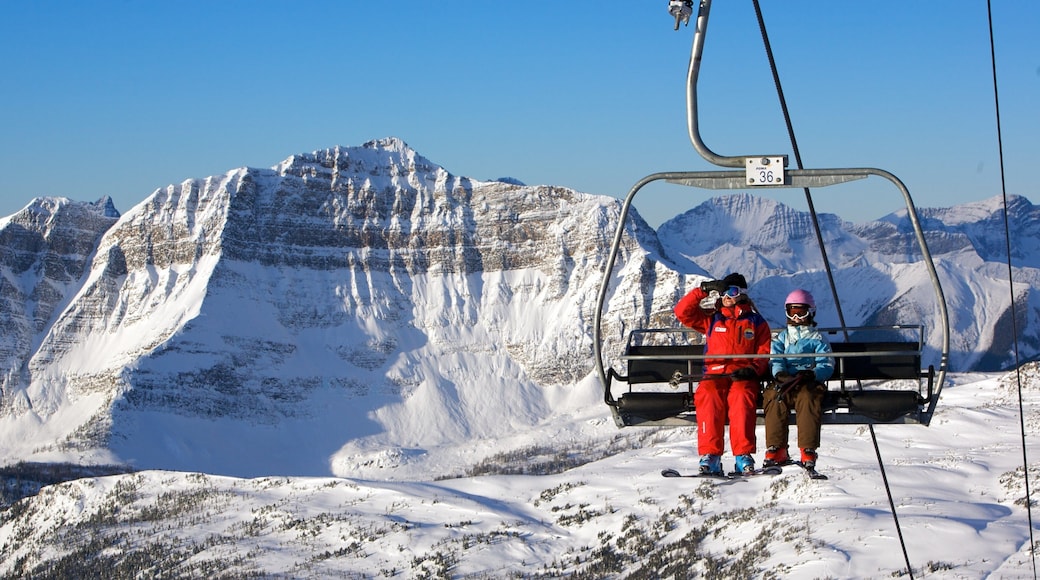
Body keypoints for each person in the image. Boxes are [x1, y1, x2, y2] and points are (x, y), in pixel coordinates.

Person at [674, 273, 771, 475]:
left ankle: (742, 455)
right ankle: (711, 455)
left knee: (742, 397)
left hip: (742, 376)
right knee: (708, 395)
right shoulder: (712, 318)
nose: (727, 295)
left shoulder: (755, 322)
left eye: (732, 291)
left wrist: (753, 370)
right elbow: (682, 312)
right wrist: (703, 290)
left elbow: (763, 351)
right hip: (714, 375)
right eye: (723, 291)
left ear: (742, 294)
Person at [763, 289, 834, 470]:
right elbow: (776, 358)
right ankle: (776, 448)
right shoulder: (781, 338)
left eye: (800, 313)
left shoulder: (817, 339)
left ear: (810, 312)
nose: (796, 318)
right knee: (774, 395)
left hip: (808, 382)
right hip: (786, 382)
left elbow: (826, 362)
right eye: (791, 313)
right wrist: (779, 374)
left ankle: (807, 449)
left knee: (808, 397)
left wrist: (814, 373)